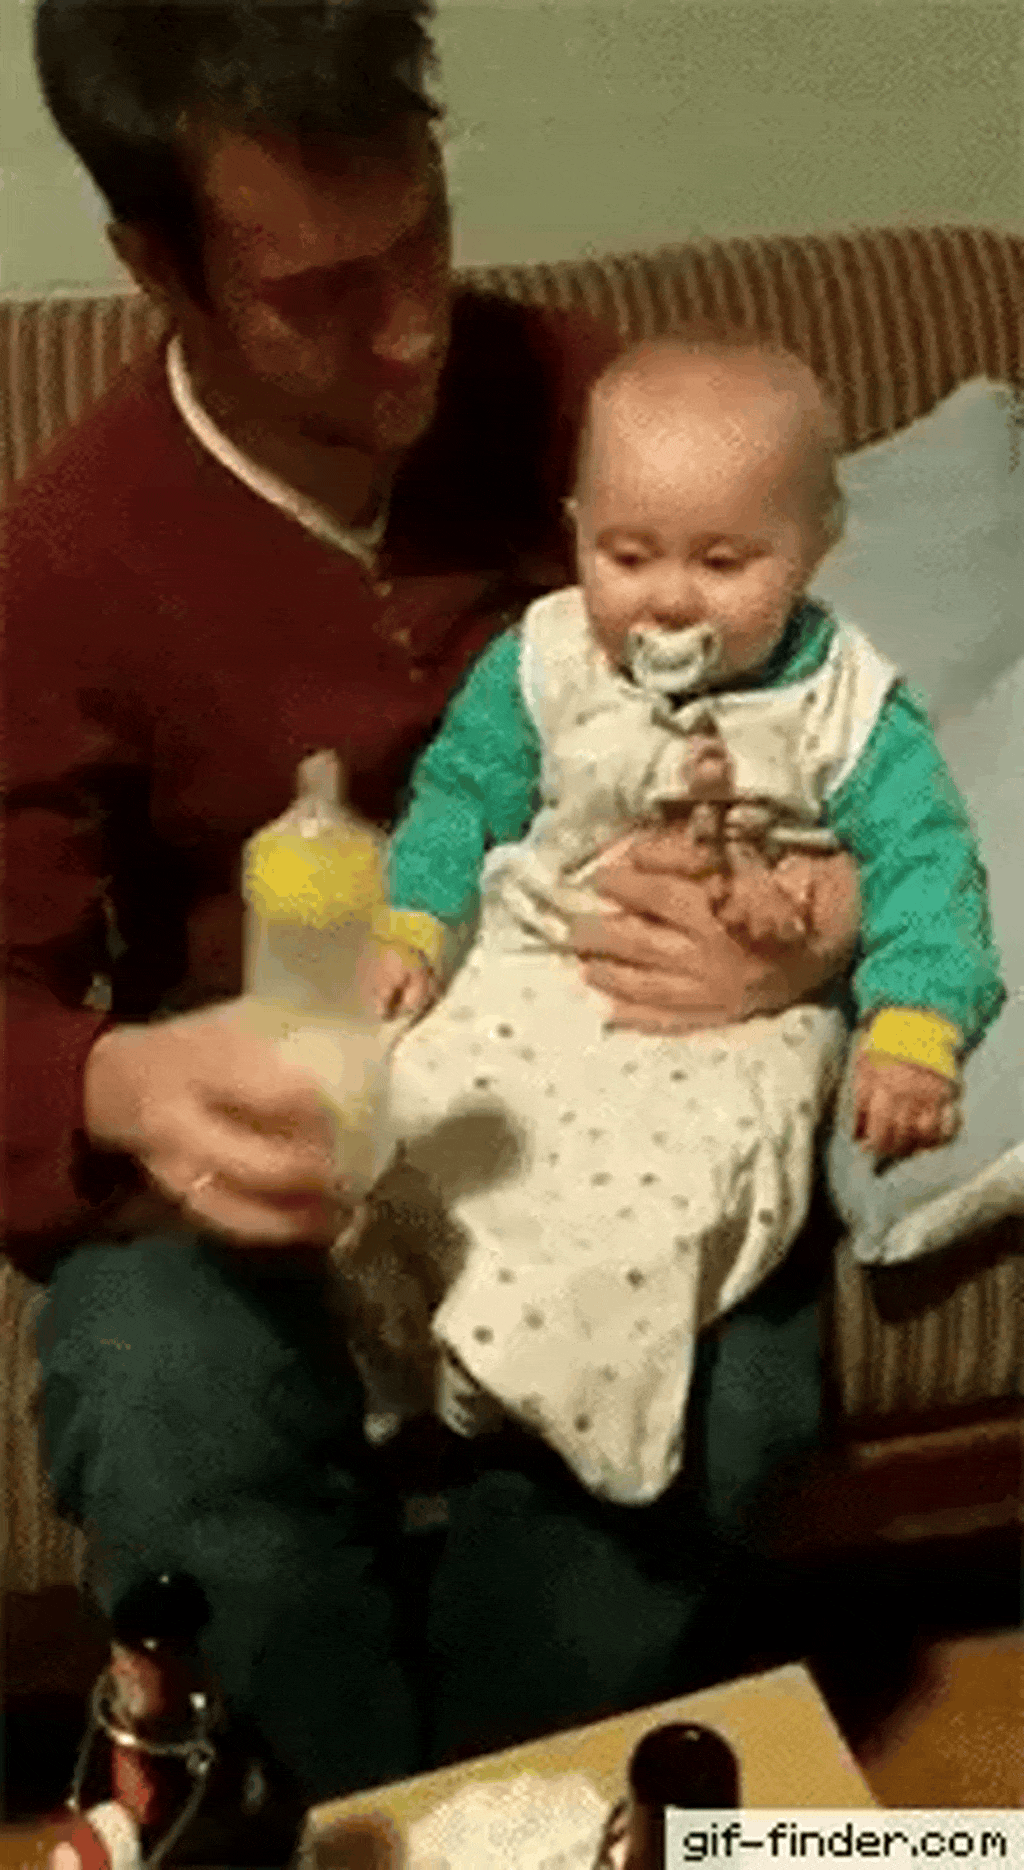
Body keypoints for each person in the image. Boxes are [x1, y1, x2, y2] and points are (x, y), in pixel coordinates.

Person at [6, 0, 862, 1820]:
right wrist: (115, 1081)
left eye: (424, 236)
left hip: (614, 1087)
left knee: (733, 1407)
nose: (408, 328)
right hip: (283, 1125)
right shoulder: (66, 558)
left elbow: (844, 729)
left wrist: (818, 915)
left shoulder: (576, 396)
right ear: (154, 266)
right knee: (155, 1393)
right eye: (319, 292)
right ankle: (379, 1824)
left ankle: (492, 1814)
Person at [343, 335, 1005, 1505]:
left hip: (732, 1023)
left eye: (722, 561)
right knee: (418, 1105)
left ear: (817, 546)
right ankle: (395, 1315)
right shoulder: (542, 658)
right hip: (539, 957)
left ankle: (555, 1382)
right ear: (574, 531)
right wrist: (412, 922)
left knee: (665, 1196)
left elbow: (927, 865)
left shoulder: (846, 706)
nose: (667, 598)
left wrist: (914, 1026)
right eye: (627, 554)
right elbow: (457, 796)